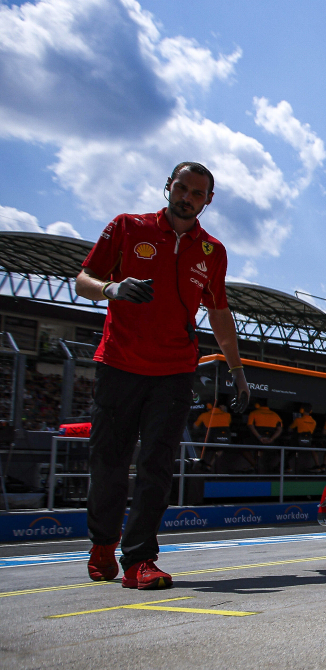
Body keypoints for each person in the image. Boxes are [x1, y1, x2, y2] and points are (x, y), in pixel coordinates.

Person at [76, 161, 250, 589]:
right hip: (118, 364)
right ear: (168, 187)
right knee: (109, 462)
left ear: (208, 200)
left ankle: (139, 560)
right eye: (181, 188)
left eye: (196, 193)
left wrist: (238, 371)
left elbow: (220, 313)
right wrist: (109, 289)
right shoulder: (126, 227)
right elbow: (83, 279)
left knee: (156, 467)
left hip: (175, 370)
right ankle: (102, 544)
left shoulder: (213, 251)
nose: (186, 197)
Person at [191, 401, 232, 471]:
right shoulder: (227, 415)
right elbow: (229, 423)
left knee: (196, 445)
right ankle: (210, 465)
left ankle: (200, 463)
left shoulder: (204, 415)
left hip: (209, 440)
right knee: (220, 450)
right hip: (223, 440)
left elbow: (195, 426)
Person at [246, 400, 283, 473]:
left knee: (242, 447)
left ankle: (255, 465)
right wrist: (271, 439)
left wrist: (259, 437)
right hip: (270, 442)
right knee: (261, 449)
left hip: (257, 441)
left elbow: (250, 425)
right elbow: (279, 429)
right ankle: (256, 466)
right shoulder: (275, 415)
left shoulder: (253, 413)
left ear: (257, 405)